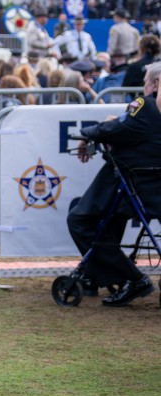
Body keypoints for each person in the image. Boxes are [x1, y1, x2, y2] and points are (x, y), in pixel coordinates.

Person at [66, 61, 160, 306]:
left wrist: (88, 133)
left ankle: (130, 278)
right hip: (143, 190)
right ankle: (104, 277)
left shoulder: (146, 107)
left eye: (145, 81)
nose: (143, 86)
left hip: (133, 188)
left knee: (79, 220)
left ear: (156, 84)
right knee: (105, 222)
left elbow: (118, 128)